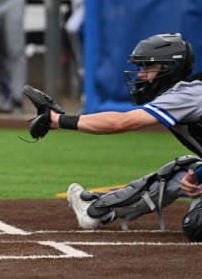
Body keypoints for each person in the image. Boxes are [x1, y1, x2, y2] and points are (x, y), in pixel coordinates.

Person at [37, 33, 202, 241]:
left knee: (196, 225)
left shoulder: (188, 94)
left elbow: (121, 122)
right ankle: (95, 210)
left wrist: (58, 120)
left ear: (170, 68)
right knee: (183, 171)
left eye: (147, 67)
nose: (140, 75)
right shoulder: (187, 92)